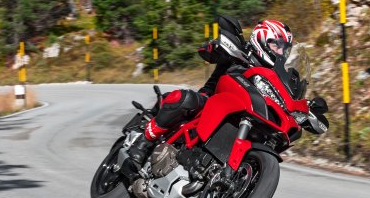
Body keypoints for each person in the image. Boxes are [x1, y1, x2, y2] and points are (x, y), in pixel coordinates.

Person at [124, 18, 294, 166]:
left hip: (244, 113)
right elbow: (206, 51)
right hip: (211, 100)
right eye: (277, 45)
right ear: (261, 38)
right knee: (185, 99)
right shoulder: (240, 52)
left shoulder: (274, 75)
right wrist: (216, 47)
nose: (281, 52)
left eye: (284, 49)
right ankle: (144, 141)